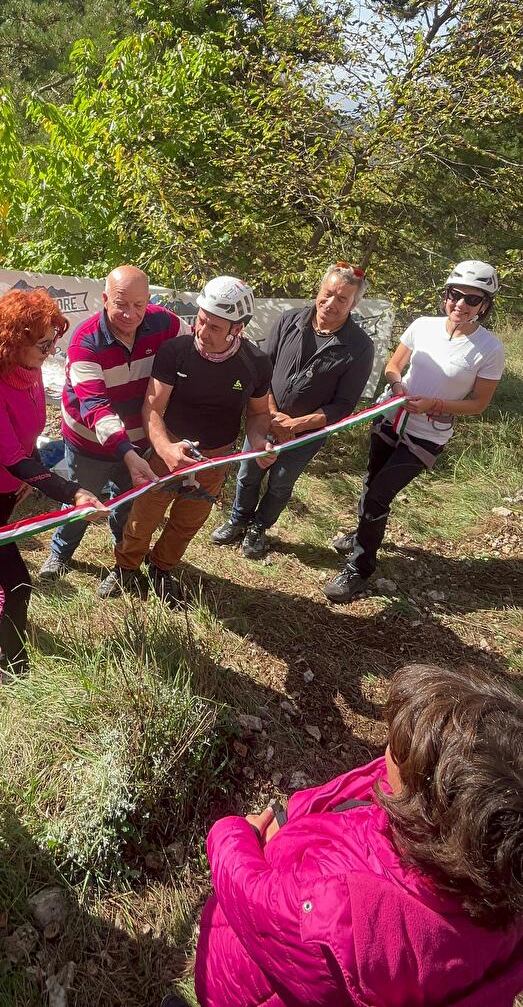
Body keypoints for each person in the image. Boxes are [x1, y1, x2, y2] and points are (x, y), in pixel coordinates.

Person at [193, 663, 523, 1007]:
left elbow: (254, 897)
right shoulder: (501, 882)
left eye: (398, 748)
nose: (389, 747)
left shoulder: (341, 912)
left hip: (248, 983)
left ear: (424, 807)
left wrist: (232, 835)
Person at [0, 288, 108, 679]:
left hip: (6, 486)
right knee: (16, 583)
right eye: (43, 344)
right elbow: (12, 458)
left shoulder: (28, 373)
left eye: (54, 341)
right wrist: (72, 492)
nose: (50, 352)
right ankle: (11, 667)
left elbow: (23, 444)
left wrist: (32, 474)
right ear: (13, 343)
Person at [325, 259, 505, 604]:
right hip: (390, 417)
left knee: (379, 493)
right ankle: (363, 533)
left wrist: (432, 405)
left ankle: (359, 569)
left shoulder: (489, 349)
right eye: (455, 295)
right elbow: (395, 366)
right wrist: (396, 387)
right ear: (446, 294)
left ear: (484, 305)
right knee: (371, 481)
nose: (461, 305)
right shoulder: (423, 325)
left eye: (473, 299)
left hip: (427, 434)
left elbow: (478, 404)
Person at [104, 276, 273, 602]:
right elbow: (152, 406)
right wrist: (165, 449)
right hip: (167, 449)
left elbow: (258, 414)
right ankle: (125, 568)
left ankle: (161, 568)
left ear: (236, 329)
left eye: (214, 327)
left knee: (188, 521)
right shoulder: (176, 352)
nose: (202, 332)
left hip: (215, 458)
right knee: (145, 514)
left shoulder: (255, 363)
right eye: (201, 320)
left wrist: (260, 441)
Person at [212, 263, 374, 560]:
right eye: (327, 294)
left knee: (281, 481)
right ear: (319, 290)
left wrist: (296, 425)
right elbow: (263, 370)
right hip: (264, 418)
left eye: (342, 299)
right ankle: (238, 519)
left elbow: (344, 404)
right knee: (248, 472)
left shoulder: (360, 346)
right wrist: (270, 414)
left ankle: (259, 528)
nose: (331, 303)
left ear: (354, 304)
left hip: (307, 434)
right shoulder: (289, 321)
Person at [39, 264, 182, 581]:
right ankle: (60, 553)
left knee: (128, 503)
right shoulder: (84, 342)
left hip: (139, 441)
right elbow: (95, 407)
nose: (130, 314)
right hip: (89, 442)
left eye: (138, 305)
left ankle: (125, 553)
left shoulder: (166, 324)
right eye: (121, 304)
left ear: (148, 301)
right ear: (104, 299)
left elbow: (194, 347)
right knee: (81, 502)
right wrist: (127, 454)